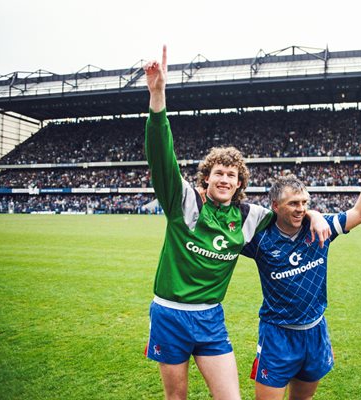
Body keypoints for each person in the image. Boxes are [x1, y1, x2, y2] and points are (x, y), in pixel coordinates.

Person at [142, 45, 331, 400]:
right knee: (175, 398)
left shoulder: (250, 217)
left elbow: (291, 211)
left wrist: (315, 212)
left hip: (211, 318)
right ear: (206, 178)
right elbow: (161, 156)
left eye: (231, 174)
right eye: (218, 173)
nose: (225, 179)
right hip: (170, 313)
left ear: (240, 182)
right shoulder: (182, 202)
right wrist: (158, 97)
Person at [242, 145, 361, 400]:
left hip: (315, 332)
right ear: (275, 205)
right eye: (293, 203)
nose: (301, 209)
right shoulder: (259, 238)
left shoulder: (321, 229)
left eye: (305, 203)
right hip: (277, 334)